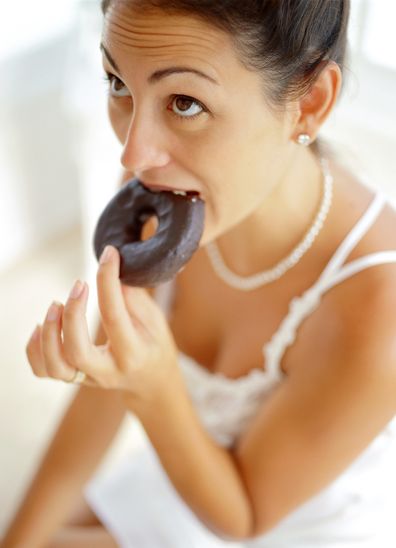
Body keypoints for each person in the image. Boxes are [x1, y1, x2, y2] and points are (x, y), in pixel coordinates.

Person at [2, 0, 396, 546]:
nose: (135, 154)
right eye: (119, 83)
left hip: (283, 520)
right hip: (184, 467)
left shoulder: (379, 308)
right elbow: (103, 393)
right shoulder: (162, 195)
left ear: (309, 102)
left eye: (184, 102)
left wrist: (154, 388)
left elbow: (245, 519)